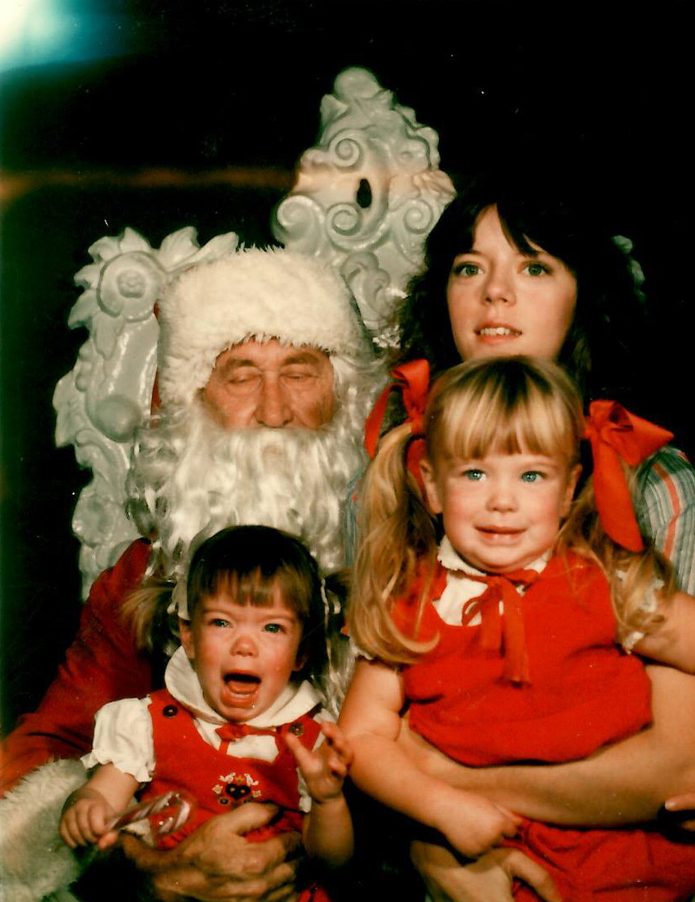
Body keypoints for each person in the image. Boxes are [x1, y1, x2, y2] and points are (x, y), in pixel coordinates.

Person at [0, 247, 379, 901]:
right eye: (239, 376)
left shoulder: (415, 558)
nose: (272, 410)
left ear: (342, 395)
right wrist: (138, 863)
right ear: (192, 402)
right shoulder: (144, 576)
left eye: (299, 372)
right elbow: (50, 744)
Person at [385, 174, 695, 899]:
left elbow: (677, 767)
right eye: (469, 268)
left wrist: (449, 794)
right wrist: (435, 838)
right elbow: (360, 733)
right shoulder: (391, 469)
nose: (494, 293)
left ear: (582, 292)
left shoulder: (653, 481)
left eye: (532, 266)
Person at [340, 356, 695, 900]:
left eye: (531, 475)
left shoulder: (611, 582)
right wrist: (439, 804)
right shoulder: (409, 601)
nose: (501, 500)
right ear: (432, 486)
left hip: (625, 858)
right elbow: (363, 737)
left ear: (570, 486)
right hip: (486, 851)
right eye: (475, 473)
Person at [60, 526, 354, 899]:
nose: (245, 645)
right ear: (189, 636)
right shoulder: (146, 721)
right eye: (221, 623)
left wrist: (329, 801)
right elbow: (103, 795)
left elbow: (331, 861)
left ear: (301, 653)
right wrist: (85, 806)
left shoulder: (314, 740)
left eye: (273, 627)